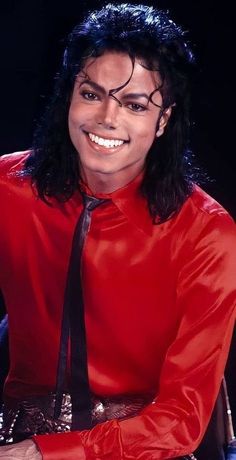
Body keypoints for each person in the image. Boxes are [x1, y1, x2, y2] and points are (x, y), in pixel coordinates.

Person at [0, 3, 235, 459]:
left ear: (162, 120)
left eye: (133, 104)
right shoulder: (8, 188)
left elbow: (181, 419)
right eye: (91, 94)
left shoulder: (205, 234)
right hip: (15, 430)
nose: (107, 118)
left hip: (148, 445)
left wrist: (47, 453)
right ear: (70, 95)